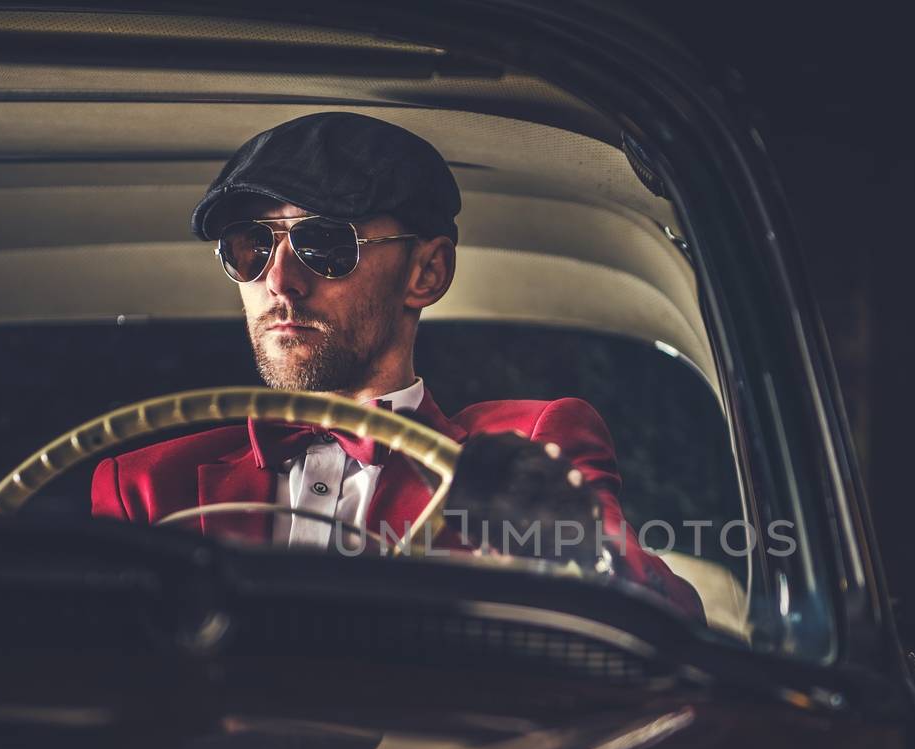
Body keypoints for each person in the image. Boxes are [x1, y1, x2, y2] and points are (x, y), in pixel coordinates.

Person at [91, 112, 702, 620]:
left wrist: (584, 550)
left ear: (427, 273)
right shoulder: (144, 486)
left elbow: (671, 630)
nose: (279, 281)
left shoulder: (523, 447)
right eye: (250, 247)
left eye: (325, 244)